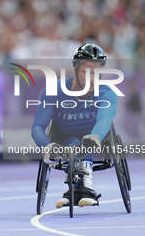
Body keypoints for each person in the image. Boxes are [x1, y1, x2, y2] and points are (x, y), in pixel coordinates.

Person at [32, 43, 117, 208]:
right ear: (76, 69)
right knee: (72, 143)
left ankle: (85, 185)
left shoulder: (107, 93)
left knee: (84, 143)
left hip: (93, 136)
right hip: (64, 136)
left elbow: (104, 119)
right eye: (86, 71)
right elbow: (38, 126)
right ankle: (76, 186)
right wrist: (46, 145)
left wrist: (96, 136)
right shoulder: (54, 90)